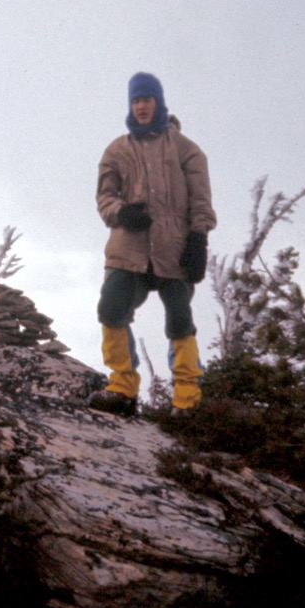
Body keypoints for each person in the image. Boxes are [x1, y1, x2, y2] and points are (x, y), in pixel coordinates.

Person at [90, 72, 216, 416]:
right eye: (136, 101)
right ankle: (122, 387)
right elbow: (104, 197)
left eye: (146, 100)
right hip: (127, 249)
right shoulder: (116, 150)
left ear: (158, 102)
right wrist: (121, 212)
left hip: (174, 248)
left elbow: (201, 201)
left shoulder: (187, 150)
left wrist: (198, 239)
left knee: (180, 320)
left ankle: (187, 399)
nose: (141, 107)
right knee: (111, 309)